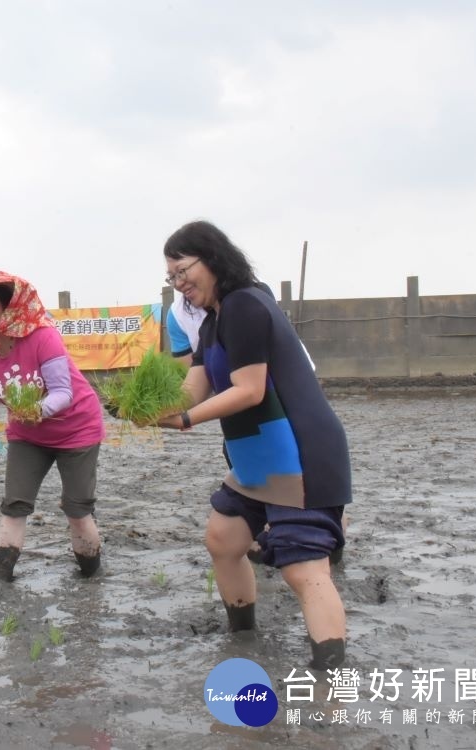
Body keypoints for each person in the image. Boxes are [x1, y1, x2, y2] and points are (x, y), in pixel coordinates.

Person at [153, 220, 352, 670]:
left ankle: (330, 677)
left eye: (183, 271)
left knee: (304, 569)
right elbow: (196, 384)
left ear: (214, 258)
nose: (180, 283)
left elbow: (250, 389)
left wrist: (183, 421)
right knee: (224, 539)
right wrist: (147, 408)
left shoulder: (244, 305)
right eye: (172, 277)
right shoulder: (213, 321)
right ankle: (243, 640)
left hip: (299, 452)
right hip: (256, 455)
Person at [0, 264, 105, 582]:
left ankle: (91, 579)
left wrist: (36, 411)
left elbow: (63, 392)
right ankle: (2, 581)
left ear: (4, 302)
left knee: (77, 509)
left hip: (77, 429)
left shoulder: (41, 335)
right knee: (14, 505)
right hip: (27, 435)